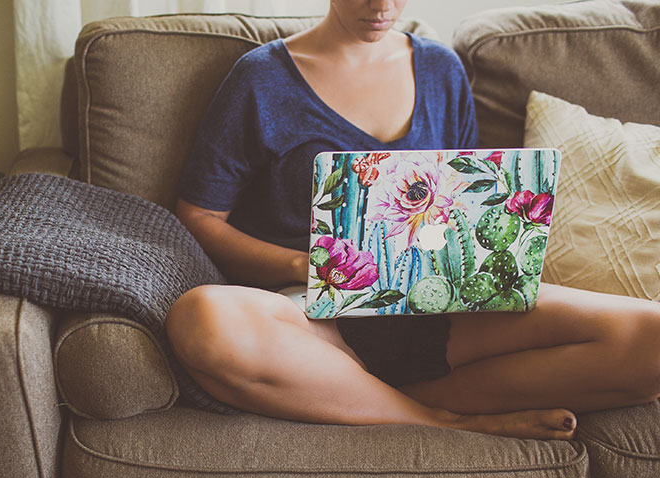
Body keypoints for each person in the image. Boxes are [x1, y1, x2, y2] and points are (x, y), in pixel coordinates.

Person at [165, 0, 660, 440]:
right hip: (314, 320)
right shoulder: (261, 78)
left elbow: (466, 197)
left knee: (651, 339)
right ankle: (440, 421)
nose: (381, 5)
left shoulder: (441, 69)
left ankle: (388, 398)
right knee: (203, 319)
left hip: (442, 304)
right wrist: (305, 265)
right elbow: (200, 215)